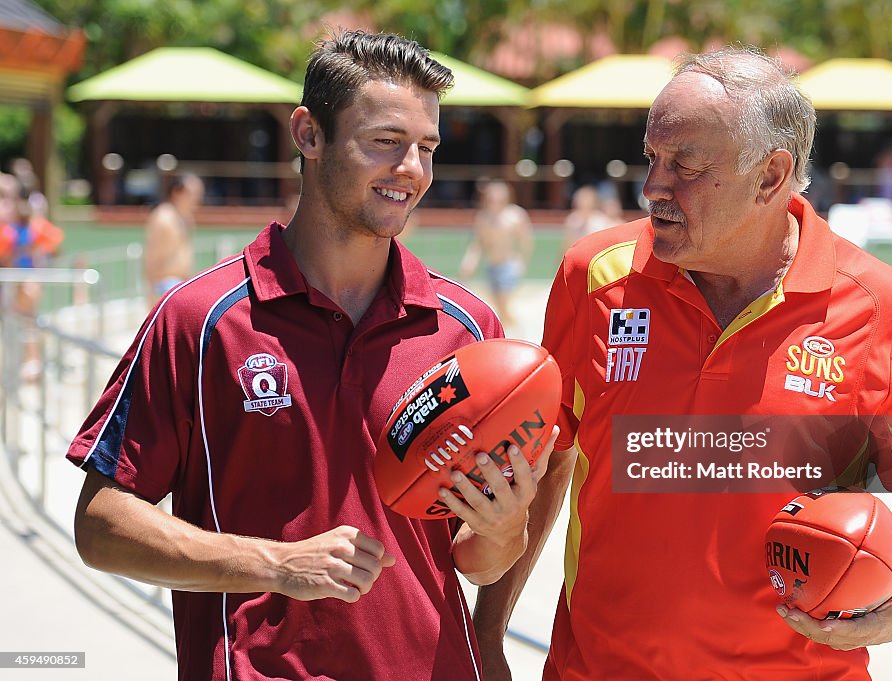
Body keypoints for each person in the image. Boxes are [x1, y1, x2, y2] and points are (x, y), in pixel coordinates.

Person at [68, 30, 554, 681]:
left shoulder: (468, 328)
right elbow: (100, 525)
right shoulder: (200, 320)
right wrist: (274, 564)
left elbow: (477, 561)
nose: (411, 167)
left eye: (427, 147)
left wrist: (503, 528)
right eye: (385, 140)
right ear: (308, 133)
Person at [474, 47, 892, 680]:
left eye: (687, 165)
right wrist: (487, 635)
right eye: (653, 157)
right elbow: (547, 459)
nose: (653, 186)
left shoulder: (883, 308)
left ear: (770, 175)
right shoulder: (594, 276)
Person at [458, 180, 533, 325]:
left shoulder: (515, 215)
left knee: (503, 304)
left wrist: (521, 263)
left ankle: (512, 332)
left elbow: (526, 242)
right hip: (491, 267)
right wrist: (469, 262)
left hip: (508, 267)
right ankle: (514, 328)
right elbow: (478, 244)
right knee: (499, 307)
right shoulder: (483, 217)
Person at [142, 172, 204, 304]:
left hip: (180, 284)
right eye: (193, 193)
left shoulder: (186, 218)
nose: (197, 198)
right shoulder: (163, 218)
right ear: (177, 192)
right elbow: (151, 257)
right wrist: (153, 292)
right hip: (164, 287)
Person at [562, 185, 613, 251]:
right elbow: (568, 244)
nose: (582, 202)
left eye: (586, 199)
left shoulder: (601, 220)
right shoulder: (573, 219)